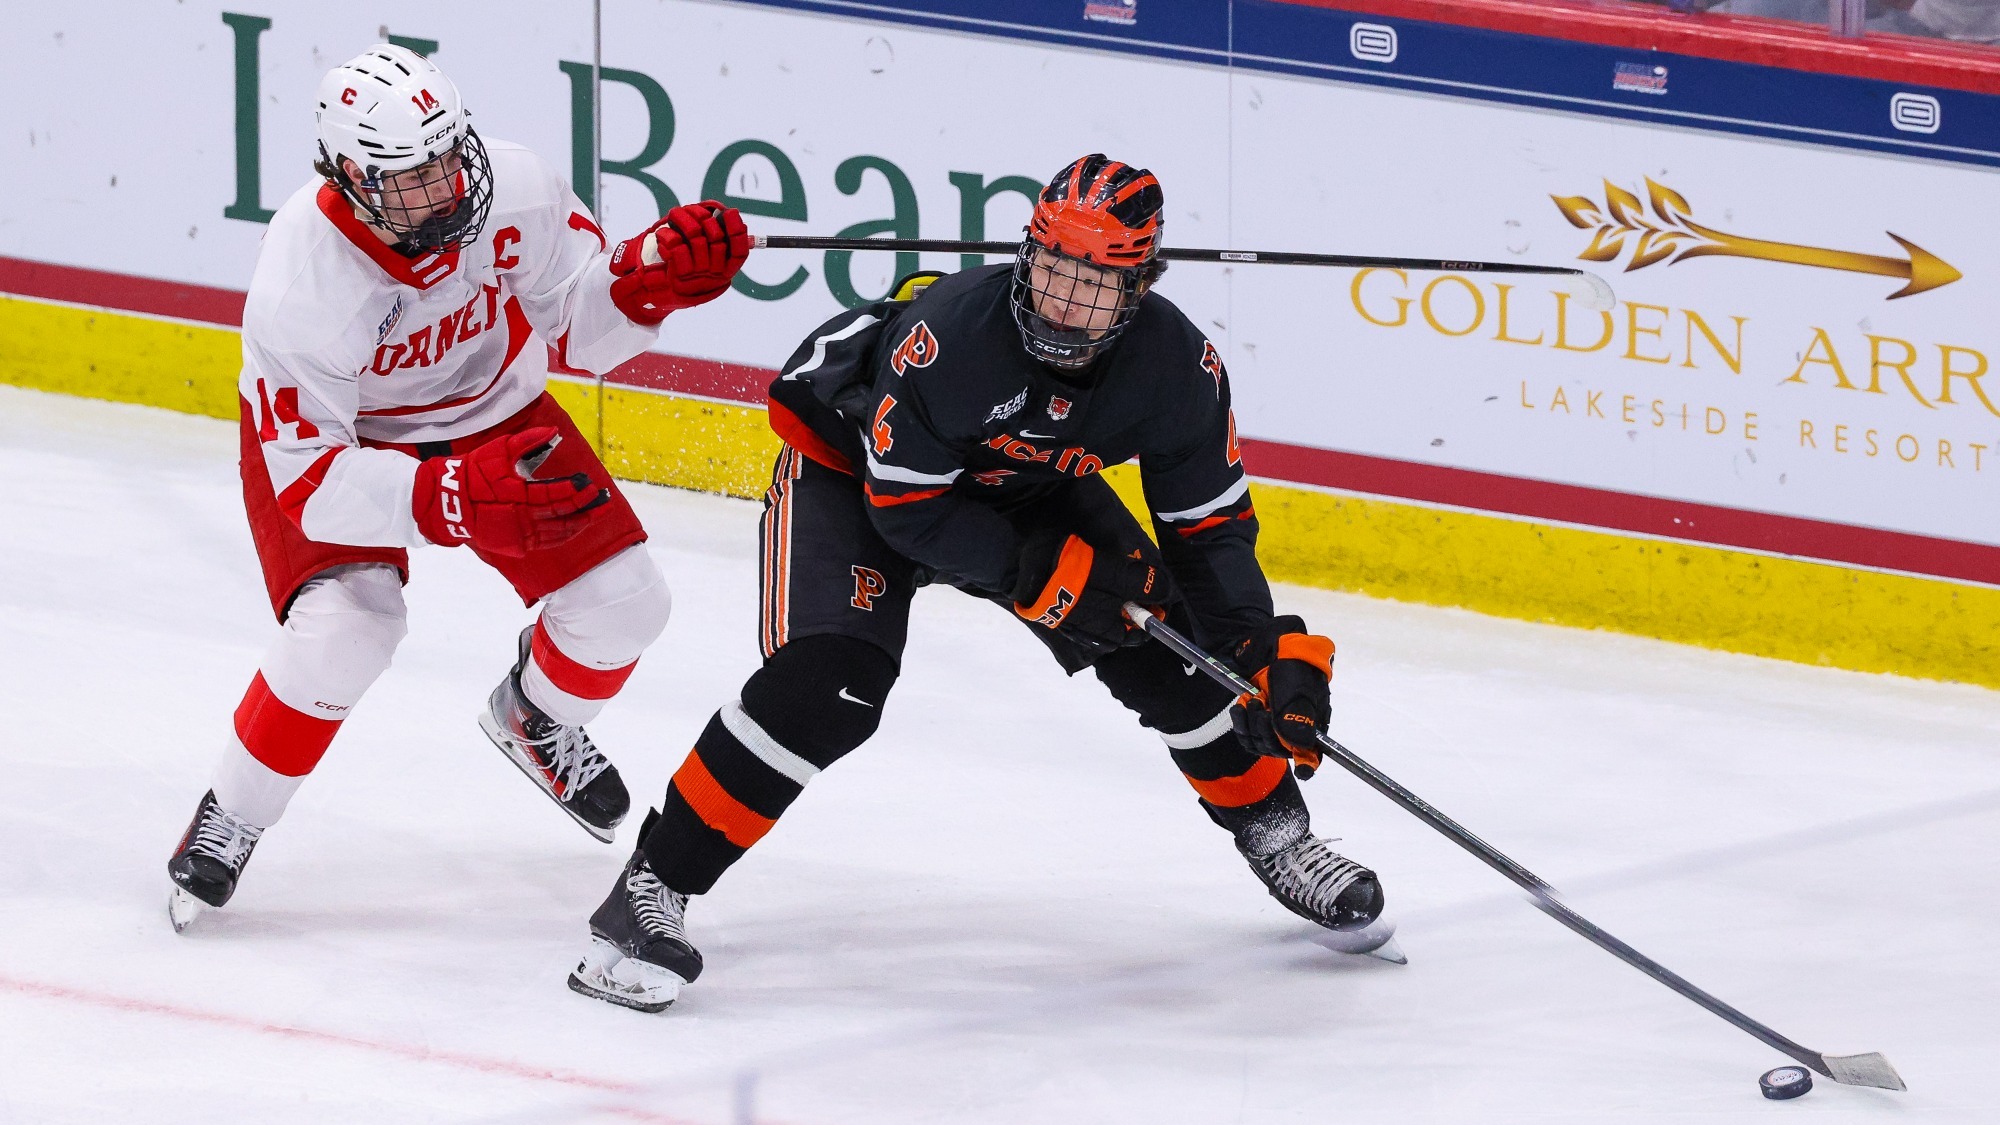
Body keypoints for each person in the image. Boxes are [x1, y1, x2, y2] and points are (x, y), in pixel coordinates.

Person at [566, 154, 1386, 1013]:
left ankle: (1282, 839)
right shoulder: (953, 338)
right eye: (1055, 268)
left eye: (1096, 282)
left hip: (1023, 482)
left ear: (1139, 285)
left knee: (1177, 651)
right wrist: (1043, 576)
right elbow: (909, 511)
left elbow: (1209, 533)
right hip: (858, 479)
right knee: (830, 684)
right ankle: (650, 888)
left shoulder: (1178, 368)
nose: (1066, 299)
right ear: (1029, 253)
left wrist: (1259, 648)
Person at [165, 44, 751, 930]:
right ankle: (233, 814)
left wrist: (650, 283)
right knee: (348, 629)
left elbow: (581, 331)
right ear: (353, 176)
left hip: (495, 410)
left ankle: (535, 715)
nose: (448, 187)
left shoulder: (514, 187)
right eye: (414, 175)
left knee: (626, 605)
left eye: (451, 156)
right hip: (345, 446)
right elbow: (314, 482)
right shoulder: (301, 283)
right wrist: (444, 495)